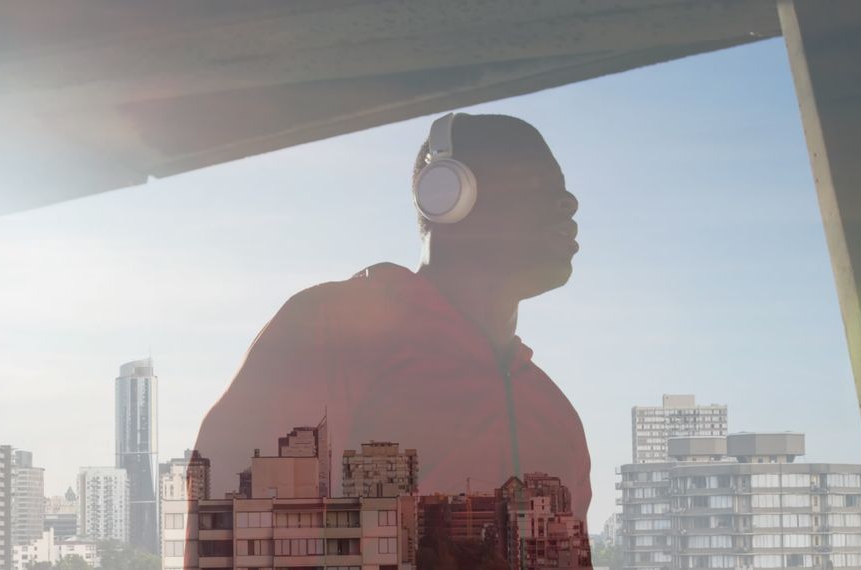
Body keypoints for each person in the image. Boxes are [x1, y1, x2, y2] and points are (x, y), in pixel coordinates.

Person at [192, 112, 591, 547]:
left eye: (564, 189)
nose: (568, 203)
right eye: (537, 184)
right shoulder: (335, 329)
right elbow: (233, 531)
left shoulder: (556, 416)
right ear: (446, 194)